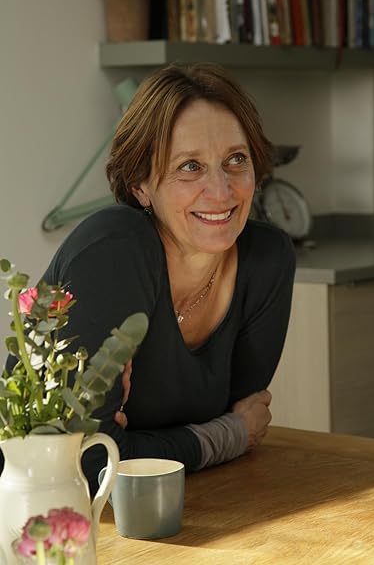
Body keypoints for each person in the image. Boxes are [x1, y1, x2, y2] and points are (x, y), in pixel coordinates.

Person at [6, 62, 296, 494]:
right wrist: (225, 437)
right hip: (52, 512)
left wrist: (146, 441)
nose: (221, 191)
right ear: (141, 184)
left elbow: (245, 413)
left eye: (236, 160)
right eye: (190, 166)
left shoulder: (267, 260)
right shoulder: (115, 250)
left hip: (196, 500)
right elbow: (88, 462)